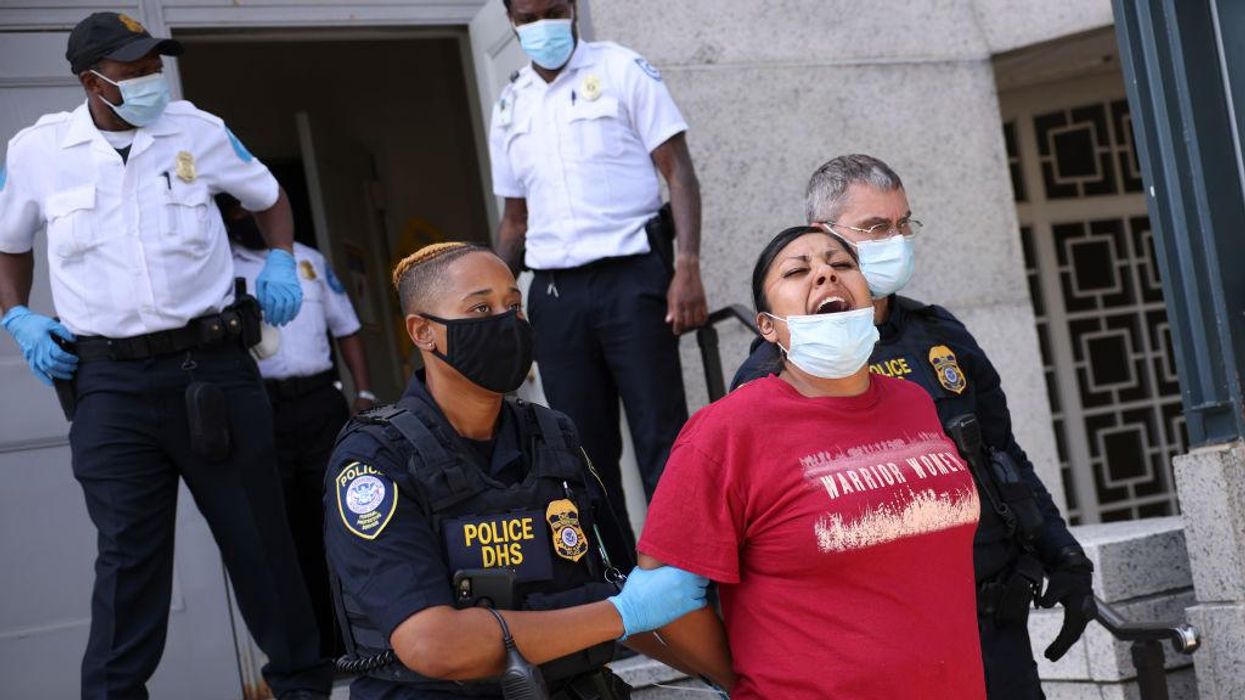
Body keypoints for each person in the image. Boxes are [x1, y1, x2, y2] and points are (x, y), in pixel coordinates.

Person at [0, 13, 332, 699]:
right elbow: (11, 245)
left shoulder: (197, 131)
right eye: (135, 70)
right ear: (93, 82)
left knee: (261, 546)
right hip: (109, 386)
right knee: (128, 558)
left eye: (156, 64)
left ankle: (302, 687)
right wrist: (17, 315)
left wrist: (277, 260)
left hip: (211, 371)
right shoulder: (38, 151)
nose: (153, 78)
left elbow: (268, 199)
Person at [733, 154, 1095, 699]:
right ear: (821, 235)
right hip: (879, 641)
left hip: (992, 618)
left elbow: (1001, 453)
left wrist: (1062, 553)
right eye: (877, 228)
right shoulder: (775, 373)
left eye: (904, 224)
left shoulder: (939, 334)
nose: (896, 239)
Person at [324, 242, 709, 700]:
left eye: (514, 305)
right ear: (423, 332)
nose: (506, 321)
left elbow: (626, 592)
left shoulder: (552, 434)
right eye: (481, 307)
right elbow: (433, 645)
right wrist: (620, 614)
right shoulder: (374, 459)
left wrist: (743, 684)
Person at [637, 226, 986, 698]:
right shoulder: (727, 431)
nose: (825, 274)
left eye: (841, 265)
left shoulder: (915, 401)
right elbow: (660, 597)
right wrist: (746, 679)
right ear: (767, 326)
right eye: (798, 272)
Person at [489, 0, 708, 543]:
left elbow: (678, 172)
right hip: (555, 296)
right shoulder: (510, 103)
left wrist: (687, 266)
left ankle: (687, 588)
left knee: (662, 438)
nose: (545, 24)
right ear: (512, 23)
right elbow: (514, 222)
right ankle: (621, 596)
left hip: (632, 280)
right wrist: (497, 306)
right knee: (583, 455)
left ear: (573, 10)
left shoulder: (621, 68)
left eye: (555, 9)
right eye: (530, 15)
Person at [222, 193, 375, 658]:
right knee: (285, 531)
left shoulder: (308, 262)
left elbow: (345, 325)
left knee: (343, 520)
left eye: (252, 209)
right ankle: (317, 651)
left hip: (318, 404)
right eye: (236, 211)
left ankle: (365, 637)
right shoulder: (218, 269)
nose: (246, 218)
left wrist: (363, 391)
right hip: (259, 409)